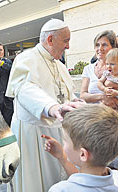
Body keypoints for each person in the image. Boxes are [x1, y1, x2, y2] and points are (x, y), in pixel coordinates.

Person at [6, 18, 84, 192]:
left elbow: (66, 96)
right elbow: (25, 88)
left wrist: (76, 103)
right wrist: (52, 107)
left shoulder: (60, 66)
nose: (68, 46)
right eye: (66, 41)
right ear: (50, 40)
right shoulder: (26, 58)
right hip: (34, 134)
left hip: (59, 131)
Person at [80, 30, 118, 185]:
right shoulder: (89, 69)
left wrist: (114, 88)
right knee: (102, 170)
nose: (99, 48)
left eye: (104, 45)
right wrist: (104, 97)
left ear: (113, 47)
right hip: (97, 123)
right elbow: (83, 95)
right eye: (97, 45)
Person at [42, 104, 118, 191]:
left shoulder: (59, 189)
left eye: (65, 140)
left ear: (83, 154)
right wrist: (63, 158)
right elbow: (88, 180)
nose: (63, 143)